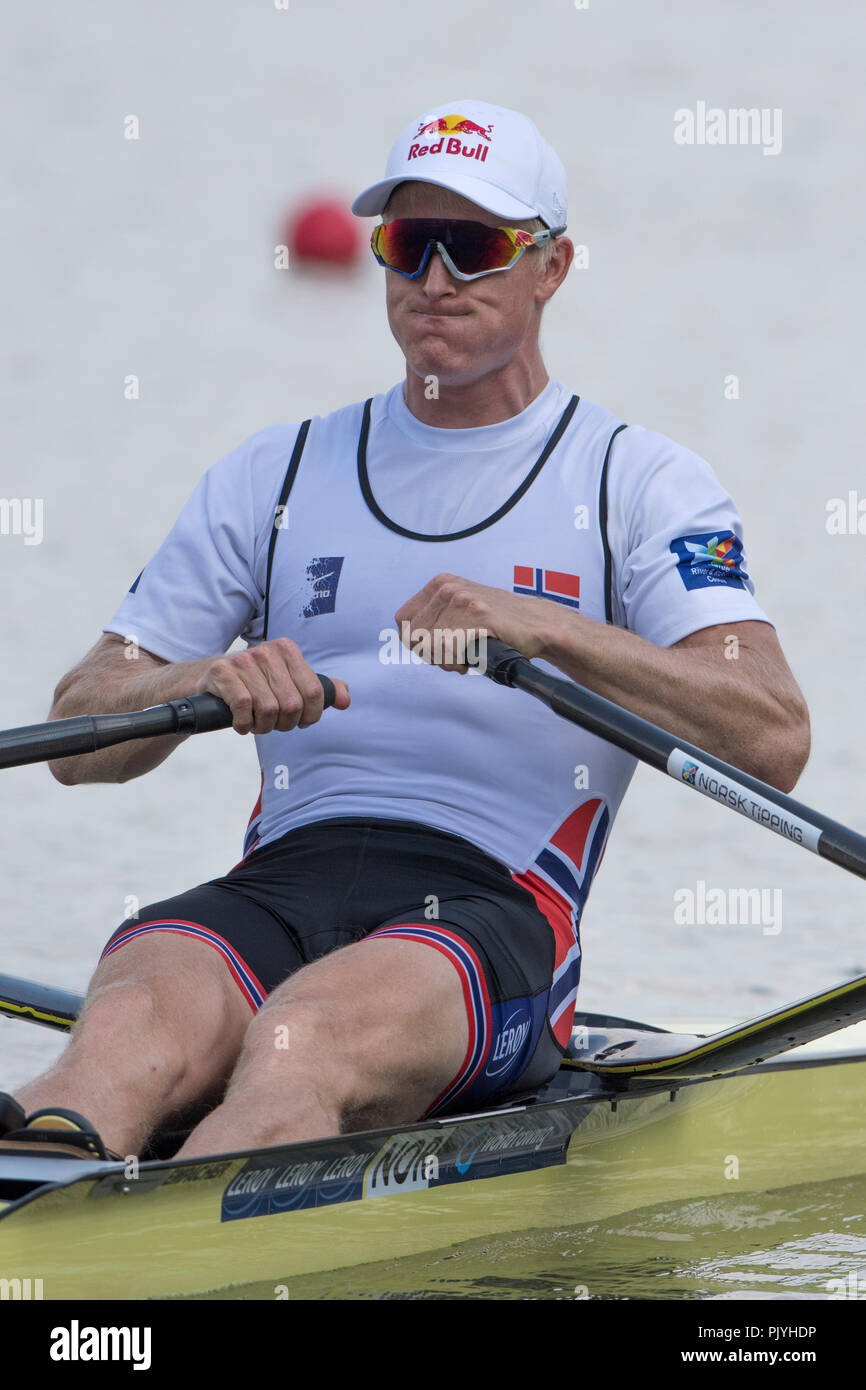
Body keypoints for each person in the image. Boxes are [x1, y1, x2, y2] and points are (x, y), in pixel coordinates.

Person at [0, 99, 809, 1163]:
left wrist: (547, 627)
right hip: (280, 883)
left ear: (550, 266)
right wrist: (210, 676)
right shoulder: (275, 471)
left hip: (490, 908)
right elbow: (80, 736)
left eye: (469, 246)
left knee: (306, 1045)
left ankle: (165, 1253)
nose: (433, 278)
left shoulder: (634, 482)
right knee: (125, 1026)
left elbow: (770, 735)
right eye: (404, 244)